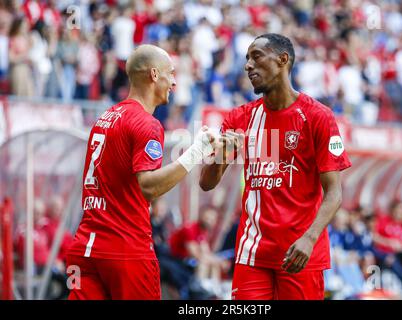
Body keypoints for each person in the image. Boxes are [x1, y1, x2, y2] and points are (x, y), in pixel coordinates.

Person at [199, 33, 352, 300]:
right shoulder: (240, 117)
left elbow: (334, 193)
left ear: (283, 60)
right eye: (246, 59)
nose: (248, 65)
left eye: (256, 56)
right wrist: (222, 155)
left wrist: (310, 238)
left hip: (299, 253)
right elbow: (206, 183)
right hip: (252, 254)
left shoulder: (318, 117)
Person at [66, 44, 218, 300]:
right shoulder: (146, 124)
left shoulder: (106, 117)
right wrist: (196, 151)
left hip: (85, 249)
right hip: (125, 250)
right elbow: (148, 186)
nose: (174, 83)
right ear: (154, 75)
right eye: (171, 74)